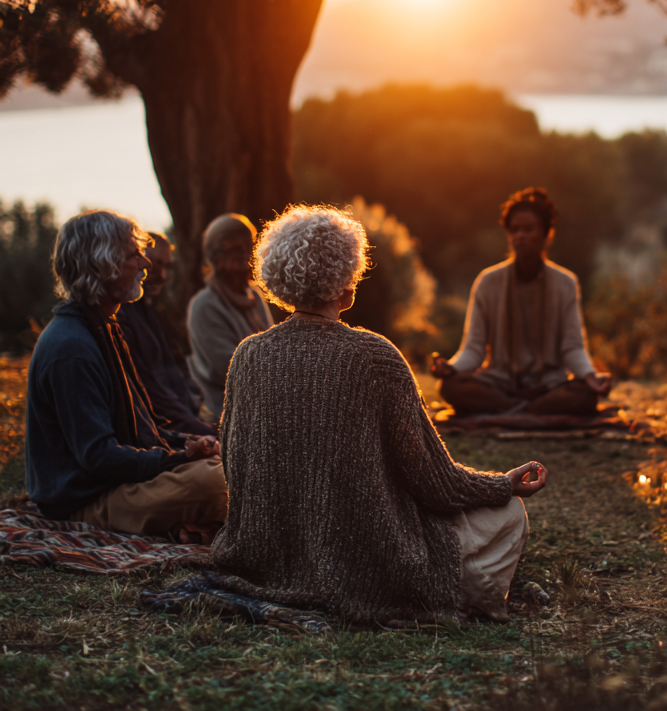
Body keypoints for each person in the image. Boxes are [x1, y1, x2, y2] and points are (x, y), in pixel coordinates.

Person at [210, 203, 546, 623]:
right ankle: (462, 591)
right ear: (346, 283)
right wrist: (501, 486)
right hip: (369, 563)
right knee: (509, 514)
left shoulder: (247, 356)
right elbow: (433, 481)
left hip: (265, 559)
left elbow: (234, 462)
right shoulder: (373, 356)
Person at [25, 210, 226, 542]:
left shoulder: (104, 327)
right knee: (215, 484)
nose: (146, 264)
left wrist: (187, 445)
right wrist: (175, 460)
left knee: (226, 464)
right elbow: (99, 456)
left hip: (118, 483)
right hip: (86, 499)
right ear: (103, 264)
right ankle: (195, 523)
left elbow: (138, 429)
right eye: (135, 255)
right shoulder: (71, 348)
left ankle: (189, 527)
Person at [430, 187, 612, 417]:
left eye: (528, 229)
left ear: (547, 234)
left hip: (549, 386)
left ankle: (512, 410)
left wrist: (590, 377)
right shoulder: (488, 282)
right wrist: (451, 368)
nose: (520, 236)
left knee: (585, 394)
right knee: (450, 387)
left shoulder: (566, 283)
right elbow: (474, 349)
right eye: (514, 230)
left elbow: (573, 347)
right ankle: (530, 412)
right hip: (500, 384)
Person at [117, 232, 217, 436]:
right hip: (162, 435)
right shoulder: (122, 318)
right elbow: (150, 392)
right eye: (153, 263)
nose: (160, 274)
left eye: (165, 266)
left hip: (184, 424)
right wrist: (204, 431)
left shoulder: (155, 310)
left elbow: (177, 375)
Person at [187, 213, 272, 420]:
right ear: (215, 255)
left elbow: (272, 346)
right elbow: (232, 367)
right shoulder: (204, 305)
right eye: (232, 247)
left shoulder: (255, 296)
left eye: (247, 245)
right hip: (225, 414)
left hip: (263, 405)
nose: (242, 252)